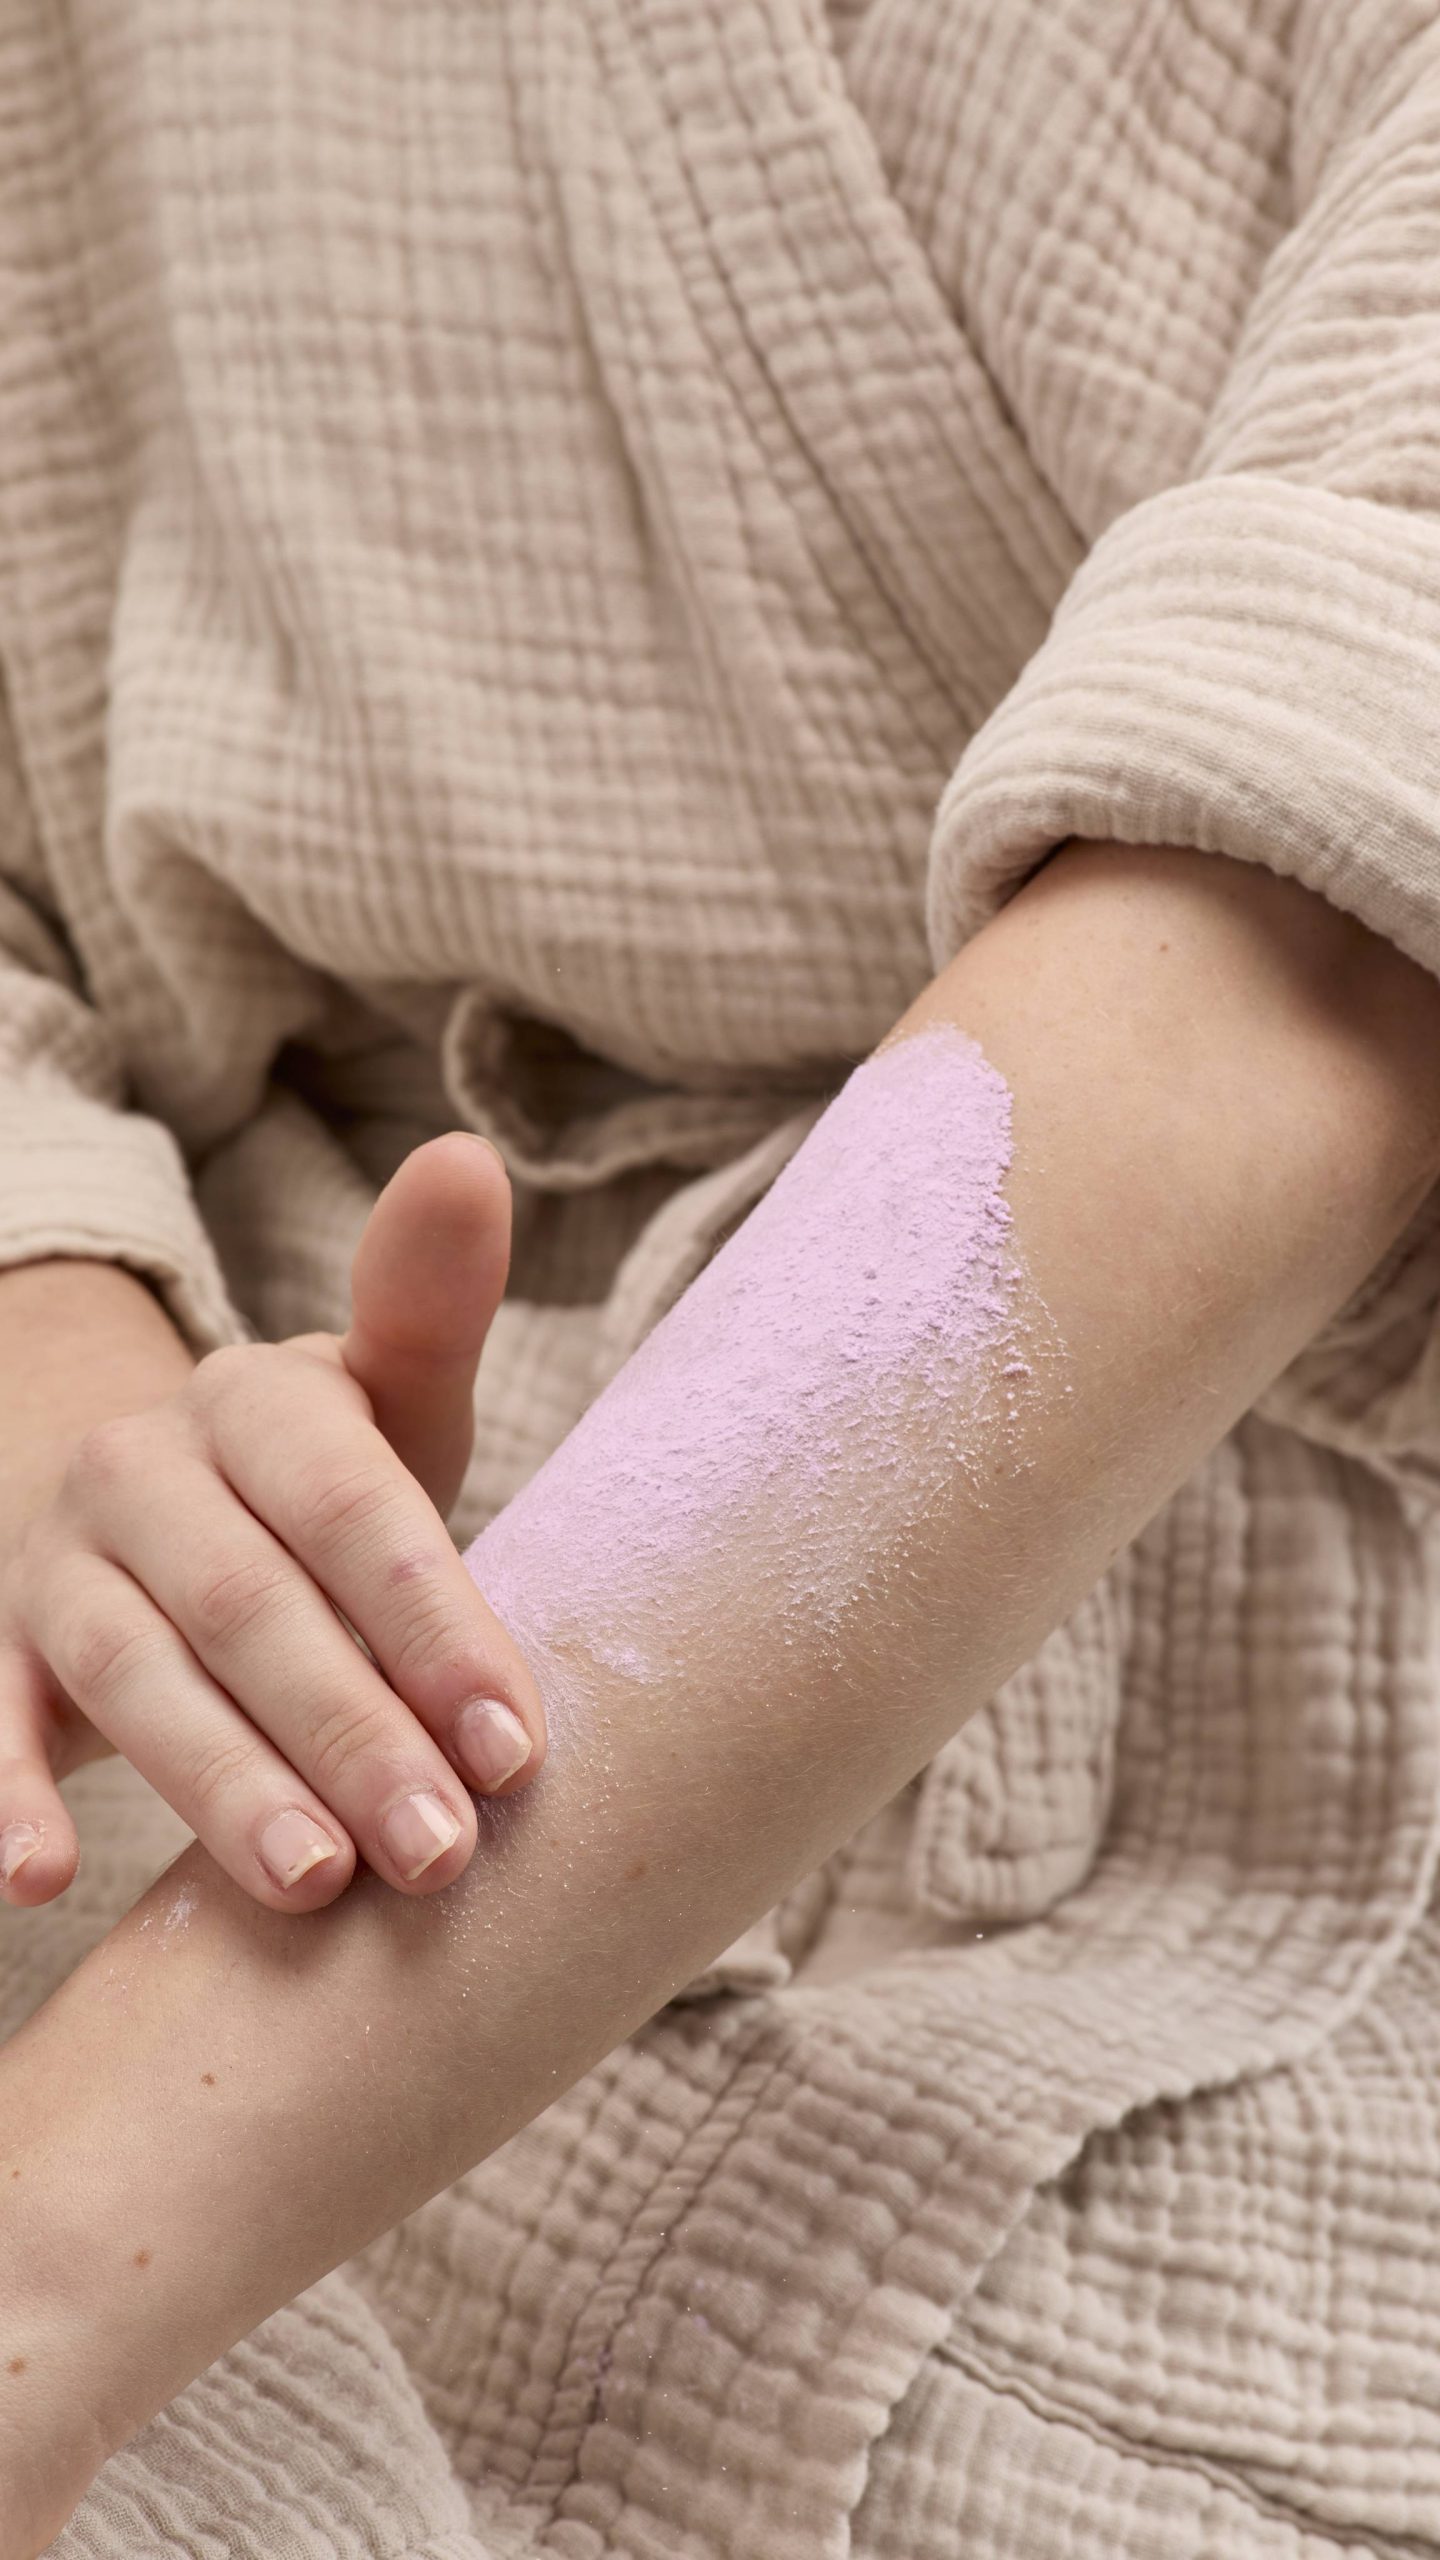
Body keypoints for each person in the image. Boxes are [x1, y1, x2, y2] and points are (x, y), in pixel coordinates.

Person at [3, 2, 1440, 2552]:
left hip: (1207, 1616)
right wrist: (74, 1402)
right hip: (193, 1507)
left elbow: (1318, 873)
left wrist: (60, 2249)